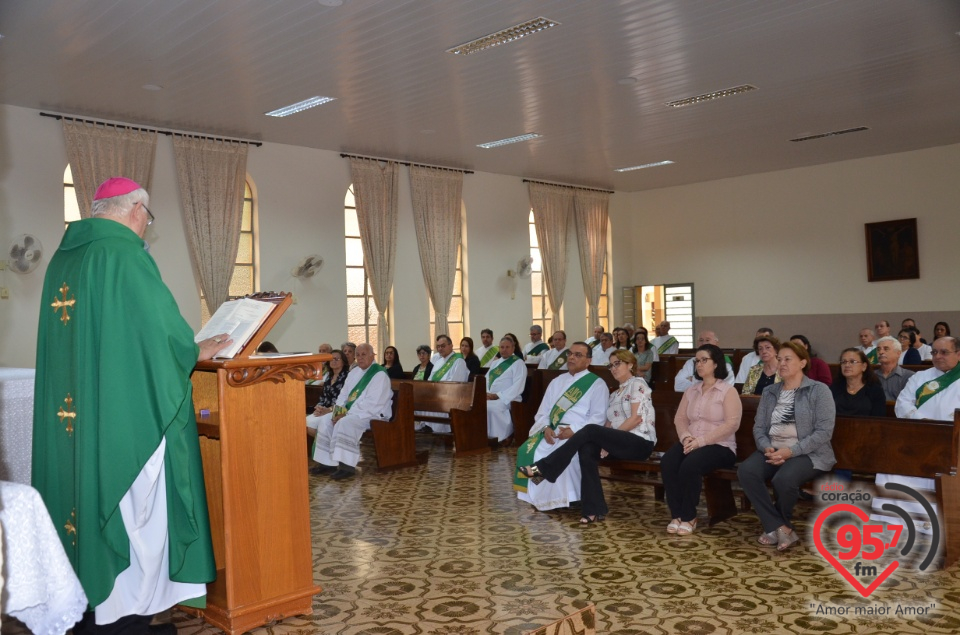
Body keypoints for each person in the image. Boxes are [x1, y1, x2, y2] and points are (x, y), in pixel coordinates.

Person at [32, 177, 232, 633]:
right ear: (137, 209)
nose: (146, 226)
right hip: (122, 421)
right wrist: (193, 350)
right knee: (137, 520)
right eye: (149, 217)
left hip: (78, 417)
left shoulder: (64, 260)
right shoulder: (123, 255)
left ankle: (84, 603)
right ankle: (123, 613)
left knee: (80, 500)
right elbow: (160, 333)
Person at [737, 341, 836, 552]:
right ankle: (781, 527)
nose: (781, 363)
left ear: (802, 362)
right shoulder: (770, 391)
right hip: (772, 449)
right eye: (779, 359)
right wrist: (766, 448)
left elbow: (824, 432)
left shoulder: (819, 390)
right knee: (746, 471)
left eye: (787, 359)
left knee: (783, 479)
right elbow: (759, 427)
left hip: (807, 453)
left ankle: (776, 526)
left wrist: (791, 451)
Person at [514, 342, 609, 513]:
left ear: (588, 360)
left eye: (578, 355)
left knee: (559, 453)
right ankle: (538, 498)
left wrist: (574, 430)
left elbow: (598, 417)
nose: (571, 357)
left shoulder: (597, 384)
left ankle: (564, 498)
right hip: (552, 430)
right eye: (570, 354)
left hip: (579, 433)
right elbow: (543, 412)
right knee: (529, 451)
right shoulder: (557, 381)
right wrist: (545, 428)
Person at [661, 344, 742, 535]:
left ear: (716, 364)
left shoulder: (727, 391)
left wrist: (701, 441)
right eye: (696, 360)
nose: (699, 364)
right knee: (668, 462)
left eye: (704, 360)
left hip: (720, 446)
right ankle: (677, 514)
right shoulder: (692, 390)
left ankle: (689, 516)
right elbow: (680, 418)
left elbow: (731, 425)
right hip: (691, 442)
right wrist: (686, 436)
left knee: (690, 465)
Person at [311, 343, 393, 480]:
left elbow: (373, 403)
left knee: (345, 422)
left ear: (372, 355)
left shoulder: (379, 374)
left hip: (372, 415)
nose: (360, 358)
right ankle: (326, 462)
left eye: (364, 355)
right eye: (358, 355)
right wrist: (337, 412)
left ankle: (346, 466)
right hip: (352, 413)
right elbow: (343, 395)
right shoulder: (354, 372)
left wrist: (345, 414)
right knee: (325, 420)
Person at [421, 334, 469, 433]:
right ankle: (426, 426)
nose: (440, 349)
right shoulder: (438, 362)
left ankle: (435, 430)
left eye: (443, 346)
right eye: (438, 346)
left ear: (451, 346)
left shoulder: (459, 361)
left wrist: (437, 392)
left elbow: (456, 385)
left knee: (432, 404)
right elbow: (430, 380)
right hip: (436, 394)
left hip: (451, 397)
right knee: (419, 401)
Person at [485, 337, 527, 442]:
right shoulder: (495, 363)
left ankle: (502, 436)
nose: (504, 349)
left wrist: (498, 395)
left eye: (507, 347)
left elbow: (518, 386)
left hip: (509, 398)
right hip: (491, 397)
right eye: (502, 347)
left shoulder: (518, 363)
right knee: (479, 406)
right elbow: (486, 380)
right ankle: (485, 436)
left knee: (492, 408)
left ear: (513, 348)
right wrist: (487, 393)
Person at [306, 349, 349, 438]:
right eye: (332, 359)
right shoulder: (329, 377)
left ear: (343, 361)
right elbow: (323, 397)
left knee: (312, 424)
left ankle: (327, 443)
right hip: (324, 409)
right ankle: (324, 444)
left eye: (337, 359)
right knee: (305, 422)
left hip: (337, 411)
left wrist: (327, 410)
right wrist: (319, 408)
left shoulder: (347, 377)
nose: (333, 361)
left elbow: (345, 400)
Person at [831, 348, 885, 416]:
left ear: (864, 366)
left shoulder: (875, 390)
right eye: (844, 362)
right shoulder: (834, 388)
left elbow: (878, 420)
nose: (847, 365)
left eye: (852, 362)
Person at [874, 336, 915, 401]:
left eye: (886, 349)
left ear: (898, 353)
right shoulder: (871, 376)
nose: (881, 352)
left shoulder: (909, 376)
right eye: (878, 349)